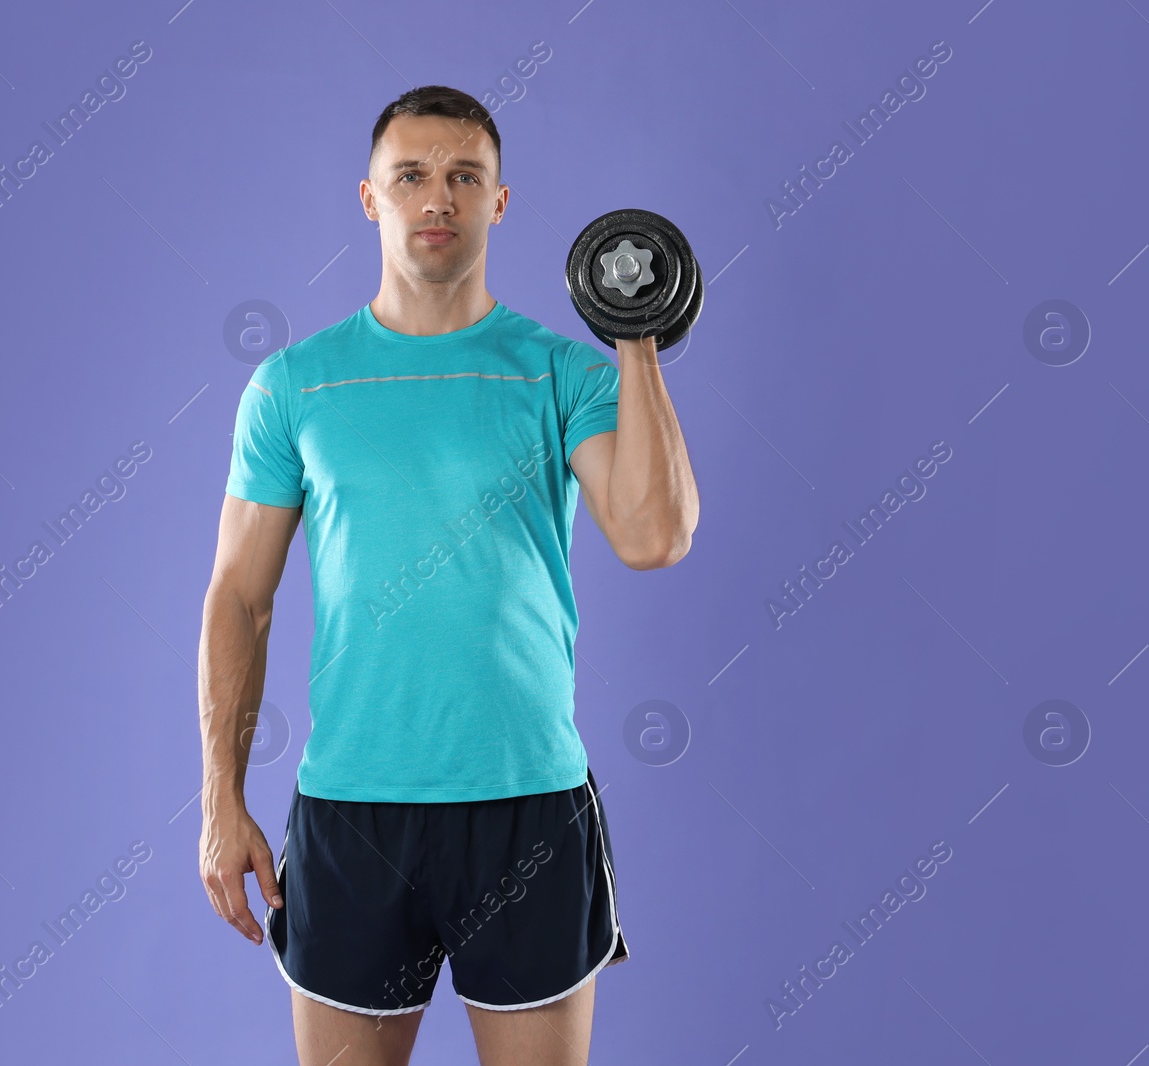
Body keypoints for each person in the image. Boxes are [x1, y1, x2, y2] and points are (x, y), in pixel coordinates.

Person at [199, 84, 699, 1066]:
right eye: (412, 176)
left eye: (464, 177)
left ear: (499, 202)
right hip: (353, 809)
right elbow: (239, 599)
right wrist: (221, 801)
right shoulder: (296, 384)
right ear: (369, 197)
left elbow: (653, 535)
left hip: (526, 808)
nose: (439, 197)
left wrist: (633, 328)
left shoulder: (562, 373)